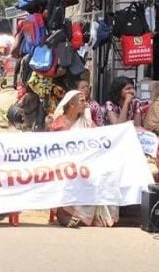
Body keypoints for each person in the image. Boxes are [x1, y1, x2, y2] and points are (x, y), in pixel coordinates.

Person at [49, 90, 118, 227]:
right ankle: (64, 214)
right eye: (81, 101)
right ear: (72, 104)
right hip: (65, 162)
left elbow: (99, 136)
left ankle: (90, 217)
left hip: (86, 162)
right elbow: (54, 147)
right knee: (72, 175)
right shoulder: (59, 123)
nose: (85, 104)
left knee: (104, 173)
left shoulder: (86, 121)